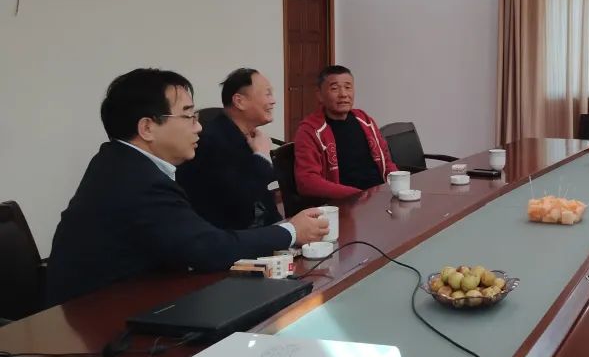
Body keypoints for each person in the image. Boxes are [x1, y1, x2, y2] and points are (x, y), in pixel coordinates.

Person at [47, 68, 328, 306]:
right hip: (100, 316)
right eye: (188, 116)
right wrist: (291, 230)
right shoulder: (136, 181)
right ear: (147, 128)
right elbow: (208, 248)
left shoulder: (119, 162)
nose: (198, 128)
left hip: (130, 298)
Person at [176, 68, 282, 230]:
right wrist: (262, 156)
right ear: (239, 101)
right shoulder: (211, 141)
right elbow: (242, 198)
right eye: (267, 94)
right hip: (227, 235)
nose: (273, 101)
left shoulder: (247, 135)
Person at [293, 65, 397, 200]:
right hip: (345, 202)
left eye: (348, 87)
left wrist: (398, 184)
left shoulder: (365, 120)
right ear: (319, 95)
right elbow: (307, 181)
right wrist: (356, 195)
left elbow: (386, 161)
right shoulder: (310, 130)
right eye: (334, 88)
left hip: (379, 197)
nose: (343, 94)